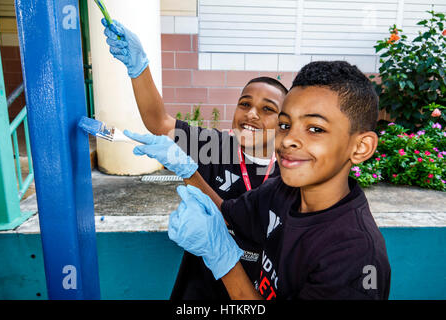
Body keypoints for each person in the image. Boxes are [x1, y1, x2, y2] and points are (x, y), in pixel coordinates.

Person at [167, 61, 392, 299]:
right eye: (284, 125)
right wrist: (188, 171)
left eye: (315, 128)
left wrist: (223, 260)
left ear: (360, 147)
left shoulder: (354, 256)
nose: (287, 140)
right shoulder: (282, 191)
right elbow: (228, 214)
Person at [101, 18, 288, 299]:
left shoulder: (290, 171)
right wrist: (139, 68)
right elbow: (159, 122)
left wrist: (190, 173)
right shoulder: (215, 145)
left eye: (267, 109)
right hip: (200, 289)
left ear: (284, 122)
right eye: (245, 104)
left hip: (255, 291)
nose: (251, 114)